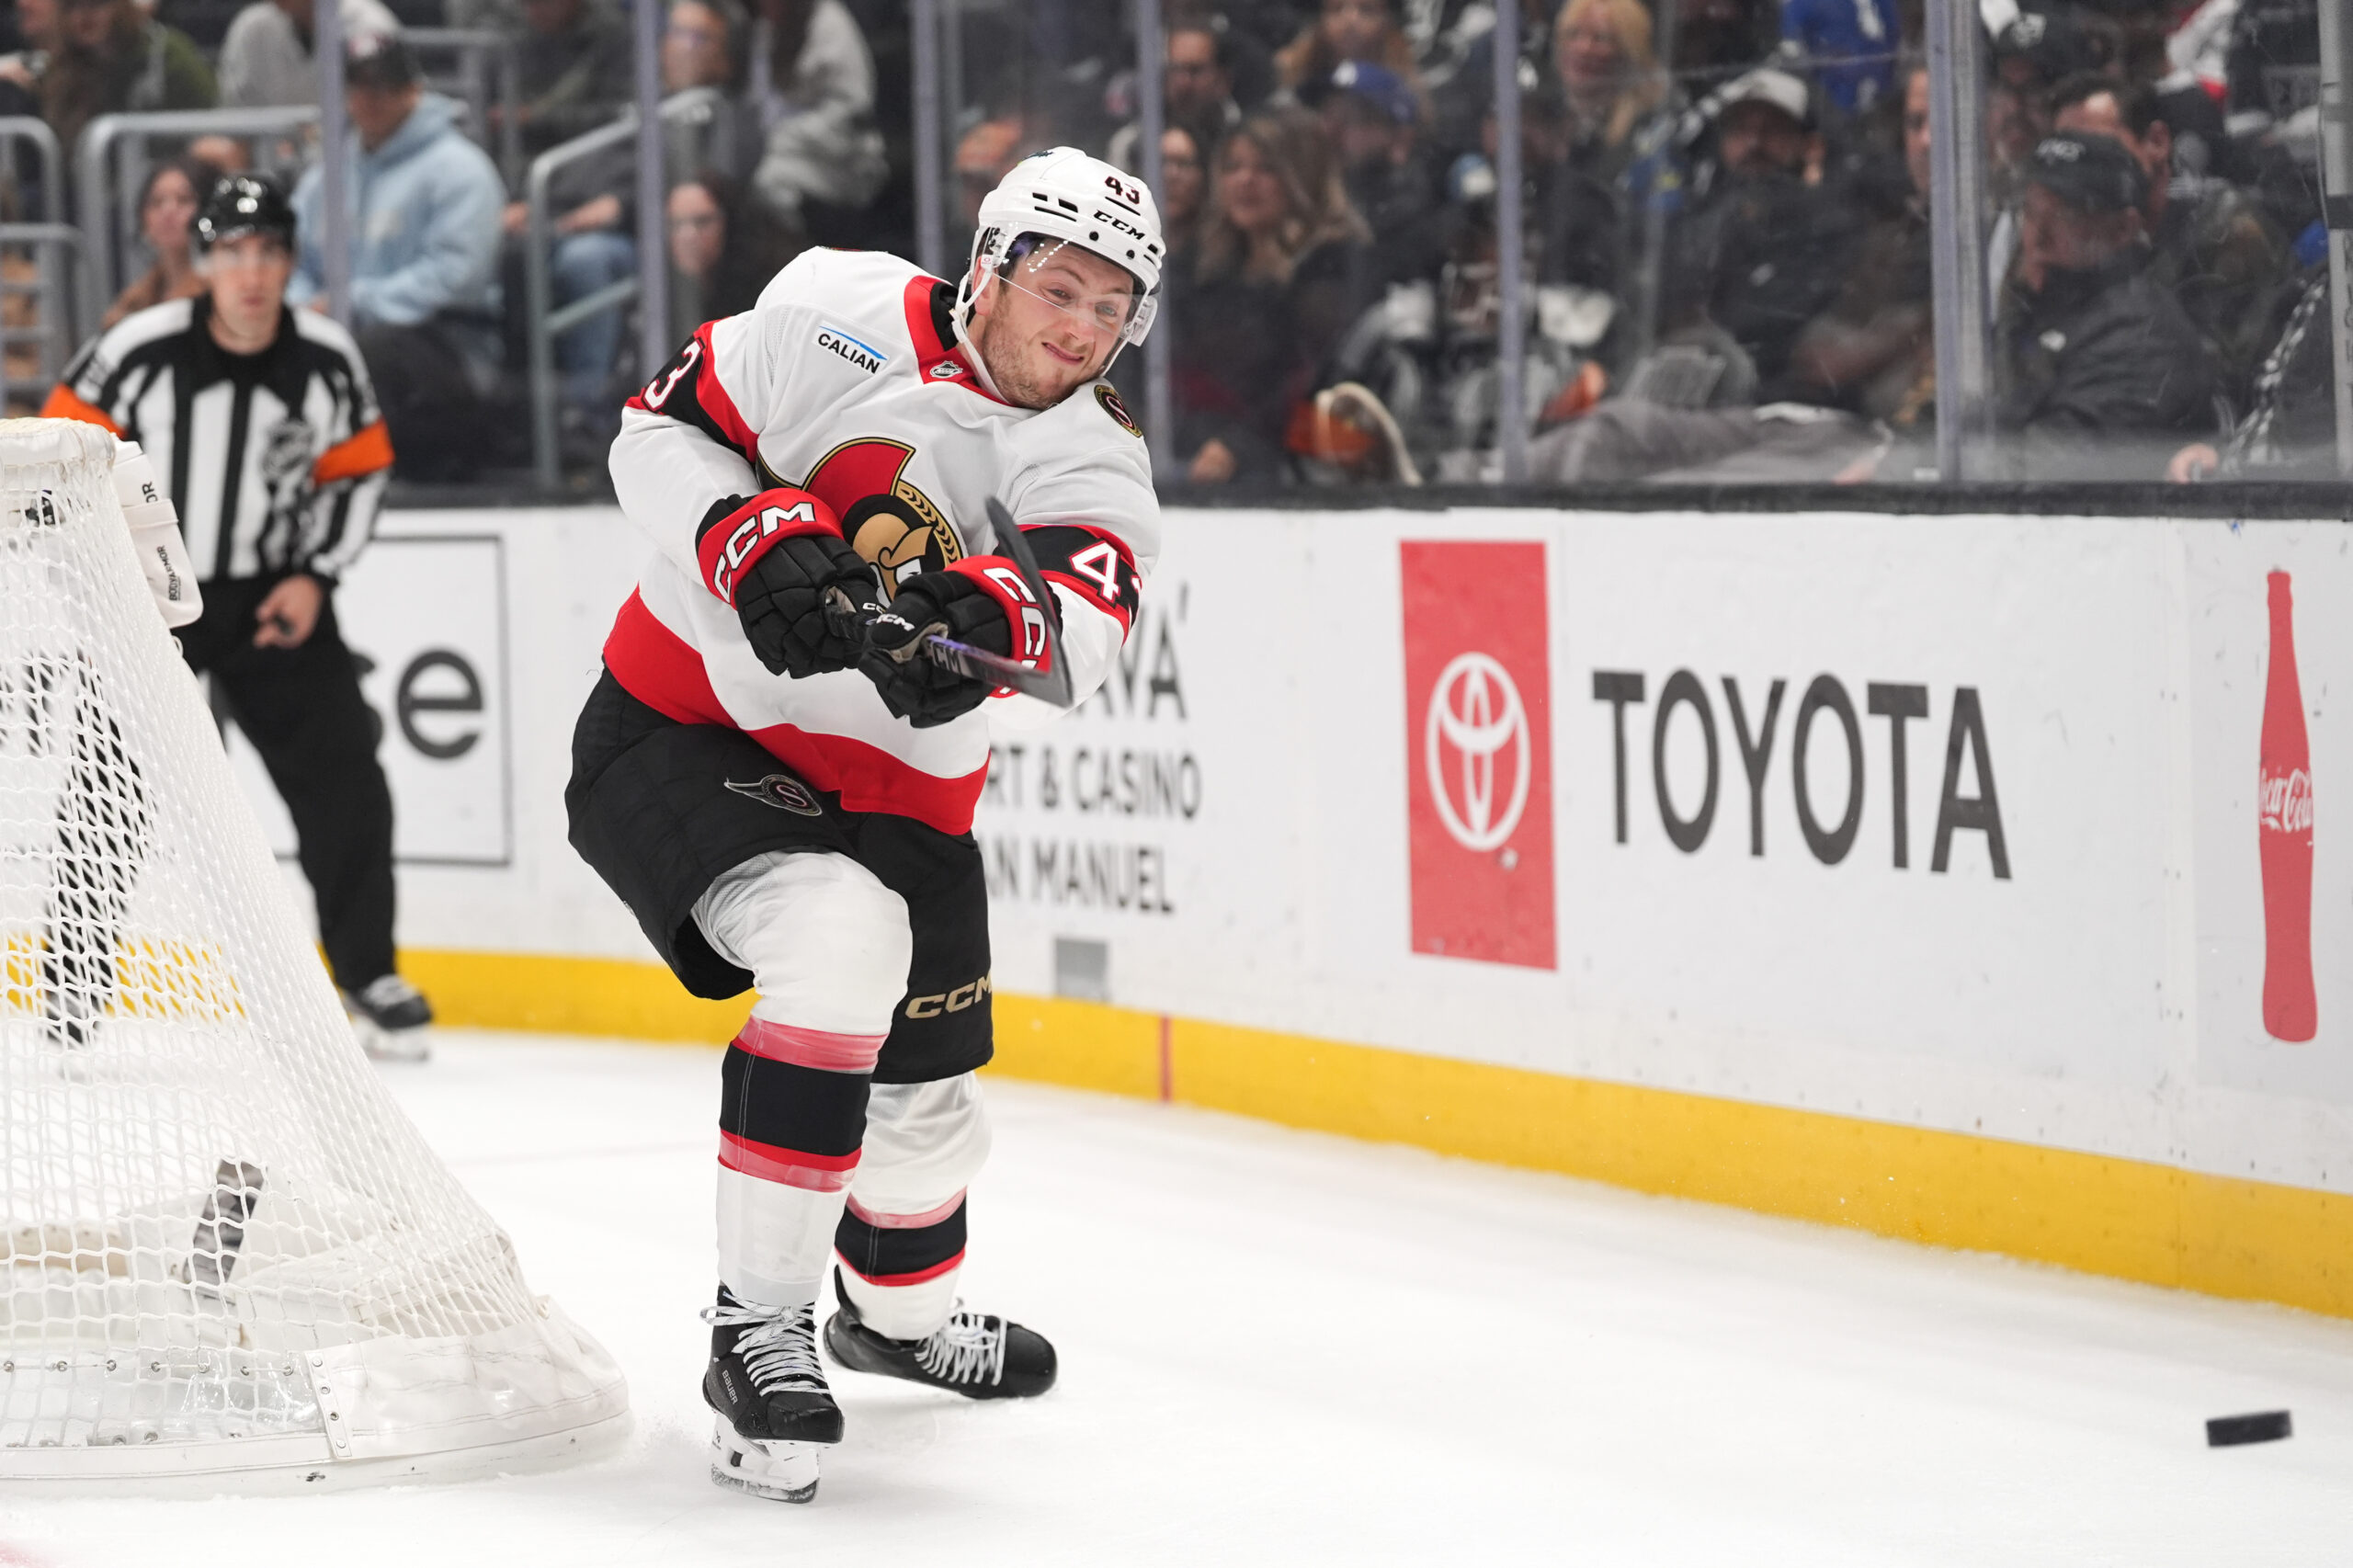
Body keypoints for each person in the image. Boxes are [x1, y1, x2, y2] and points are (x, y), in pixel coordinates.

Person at [569, 146, 1164, 1504]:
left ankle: (887, 1321)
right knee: (843, 940)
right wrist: (747, 528)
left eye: (1108, 307)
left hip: (902, 794)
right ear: (992, 263)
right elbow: (654, 425)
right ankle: (756, 1329)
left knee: (927, 1119)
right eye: (1058, 287)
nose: (1077, 329)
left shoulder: (1093, 448)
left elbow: (1090, 629)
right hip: (682, 730)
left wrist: (994, 617)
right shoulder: (834, 306)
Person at [41, 174, 432, 1059]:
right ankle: (72, 982)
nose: (250, 274)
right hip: (149, 602)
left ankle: (368, 973)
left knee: (346, 786)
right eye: (232, 254)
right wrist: (107, 575)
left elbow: (359, 472)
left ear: (290, 262)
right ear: (205, 261)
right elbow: (55, 458)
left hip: (272, 600)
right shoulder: (137, 350)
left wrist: (316, 576)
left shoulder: (328, 358)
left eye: (267, 254)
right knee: (107, 790)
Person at [289, 34, 505, 482]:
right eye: (359, 86)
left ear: (414, 89)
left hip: (449, 346)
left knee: (370, 354)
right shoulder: (325, 175)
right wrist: (302, 307)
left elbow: (457, 276)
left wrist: (350, 303)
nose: (370, 98)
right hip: (345, 332)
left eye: (384, 86)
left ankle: (358, 478)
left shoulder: (459, 169)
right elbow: (291, 259)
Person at [2048, 71, 2289, 409]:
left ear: (2157, 142)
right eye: (2068, 158)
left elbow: (2224, 387)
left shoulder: (2223, 229)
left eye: (2099, 149)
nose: (2082, 175)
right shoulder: (2067, 240)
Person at [1991, 129, 2215, 475]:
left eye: (2064, 216)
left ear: (2123, 229)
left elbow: (2043, 474)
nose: (2037, 238)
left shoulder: (2144, 337)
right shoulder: (2041, 307)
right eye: (2032, 213)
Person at [1176, 108, 1371, 483]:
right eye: (1232, 167)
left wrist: (1238, 445)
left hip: (1297, 473)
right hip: (1201, 454)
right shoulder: (1209, 263)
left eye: (1265, 168)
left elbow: (1316, 383)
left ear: (1302, 176)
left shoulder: (1332, 264)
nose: (1244, 181)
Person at [741, 0, 889, 232]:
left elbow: (853, 111)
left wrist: (787, 136)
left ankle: (789, 258)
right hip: (780, 149)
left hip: (842, 159)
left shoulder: (828, 22)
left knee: (772, 181)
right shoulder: (763, 29)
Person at [40, 0, 213, 152]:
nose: (84, 15)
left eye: (97, 2)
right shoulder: (61, 68)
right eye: (72, 5)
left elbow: (210, 125)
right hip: (89, 180)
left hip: (166, 173)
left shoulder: (167, 55)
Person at [665, 170, 801, 339]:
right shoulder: (660, 299)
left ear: (729, 223)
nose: (688, 236)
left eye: (702, 221)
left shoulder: (764, 292)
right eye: (676, 224)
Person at [103, 155, 217, 327]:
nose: (168, 211)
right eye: (156, 202)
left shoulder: (220, 294)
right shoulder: (133, 301)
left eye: (184, 199)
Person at [217, 0, 397, 108]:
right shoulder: (252, 27)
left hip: (356, 158)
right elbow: (236, 112)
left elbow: (385, 112)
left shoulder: (369, 24)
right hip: (268, 154)